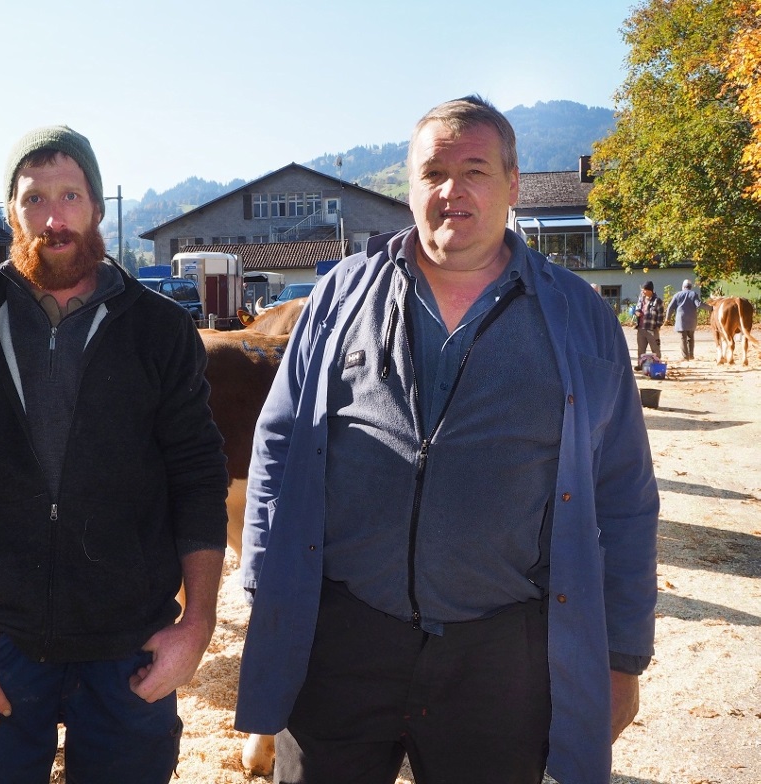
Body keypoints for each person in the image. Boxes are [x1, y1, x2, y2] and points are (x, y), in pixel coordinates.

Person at [235, 96, 659, 784]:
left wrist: (623, 655)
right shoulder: (340, 299)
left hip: (502, 655)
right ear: (409, 187)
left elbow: (625, 500)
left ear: (513, 186)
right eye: (433, 171)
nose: (452, 190)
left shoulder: (580, 320)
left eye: (475, 170)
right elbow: (277, 446)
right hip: (342, 640)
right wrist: (265, 589)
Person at [0, 125, 229, 784]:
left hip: (128, 647)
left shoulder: (160, 330)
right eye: (34, 200)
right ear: (11, 212)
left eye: (71, 196)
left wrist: (197, 625)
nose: (54, 218)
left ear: (97, 208)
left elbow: (198, 477)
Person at [665, 279, 712, 360]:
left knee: (683, 338)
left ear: (683, 287)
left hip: (681, 320)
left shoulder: (677, 295)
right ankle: (691, 355)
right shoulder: (693, 294)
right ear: (690, 287)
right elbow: (699, 304)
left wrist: (667, 319)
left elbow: (670, 307)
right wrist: (710, 308)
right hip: (692, 320)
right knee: (691, 338)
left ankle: (685, 356)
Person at [636, 280, 665, 366]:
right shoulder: (641, 299)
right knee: (641, 349)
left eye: (644, 290)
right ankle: (640, 365)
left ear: (649, 290)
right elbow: (637, 308)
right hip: (641, 328)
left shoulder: (657, 301)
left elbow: (661, 315)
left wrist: (658, 327)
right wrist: (637, 312)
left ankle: (657, 364)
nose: (642, 292)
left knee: (655, 349)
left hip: (652, 329)